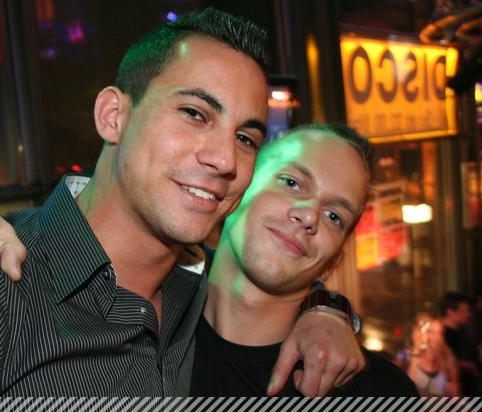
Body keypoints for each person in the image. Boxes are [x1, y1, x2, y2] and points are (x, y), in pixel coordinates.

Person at [0, 9, 363, 396]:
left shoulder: (194, 289)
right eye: (194, 113)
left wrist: (330, 311)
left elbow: (273, 274)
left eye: (246, 138)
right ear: (112, 116)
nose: (224, 158)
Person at [189, 124, 418, 396]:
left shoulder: (379, 394)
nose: (309, 215)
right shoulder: (150, 322)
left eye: (334, 217)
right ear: (239, 188)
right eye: (292, 183)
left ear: (332, 263)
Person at [397, 312, 459, 396]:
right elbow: (407, 390)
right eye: (431, 332)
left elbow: (455, 395)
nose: (437, 338)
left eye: (440, 332)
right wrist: (416, 349)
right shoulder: (404, 355)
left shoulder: (448, 356)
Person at [440, 291, 480, 395]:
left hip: (470, 386)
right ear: (450, 312)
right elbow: (441, 359)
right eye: (463, 311)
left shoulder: (464, 330)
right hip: (454, 390)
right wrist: (467, 365)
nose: (467, 314)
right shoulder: (440, 334)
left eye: (468, 311)